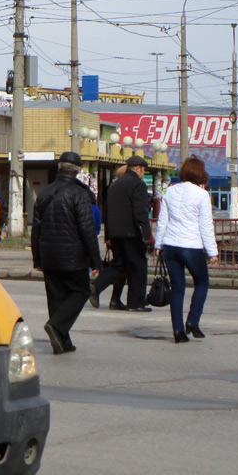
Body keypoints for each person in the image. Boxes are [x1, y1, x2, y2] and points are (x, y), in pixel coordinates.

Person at [31, 151, 102, 355]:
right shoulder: (79, 193)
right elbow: (87, 230)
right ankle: (56, 326)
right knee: (81, 291)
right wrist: (95, 260)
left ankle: (62, 342)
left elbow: (36, 227)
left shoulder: (45, 191)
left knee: (56, 298)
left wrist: (37, 257)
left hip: (49, 254)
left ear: (59, 168)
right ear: (77, 171)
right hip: (74, 255)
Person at [155, 156, 219, 343]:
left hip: (170, 246)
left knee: (178, 288)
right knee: (202, 282)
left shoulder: (169, 191)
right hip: (190, 245)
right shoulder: (201, 195)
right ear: (200, 173)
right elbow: (205, 226)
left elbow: (162, 221)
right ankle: (192, 320)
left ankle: (178, 331)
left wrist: (158, 245)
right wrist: (212, 252)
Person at [91, 155, 153, 312]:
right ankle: (136, 302)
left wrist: (108, 236)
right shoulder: (137, 184)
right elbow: (140, 212)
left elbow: (108, 211)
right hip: (131, 234)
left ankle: (96, 286)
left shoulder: (115, 185)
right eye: (143, 170)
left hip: (115, 234)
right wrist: (147, 235)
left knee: (120, 264)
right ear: (138, 169)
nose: (143, 173)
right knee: (138, 267)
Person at [91, 165, 130, 310]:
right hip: (122, 234)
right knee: (120, 265)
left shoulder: (112, 189)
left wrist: (108, 235)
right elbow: (110, 214)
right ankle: (96, 287)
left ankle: (115, 299)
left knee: (122, 267)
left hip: (115, 234)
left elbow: (107, 214)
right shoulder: (118, 190)